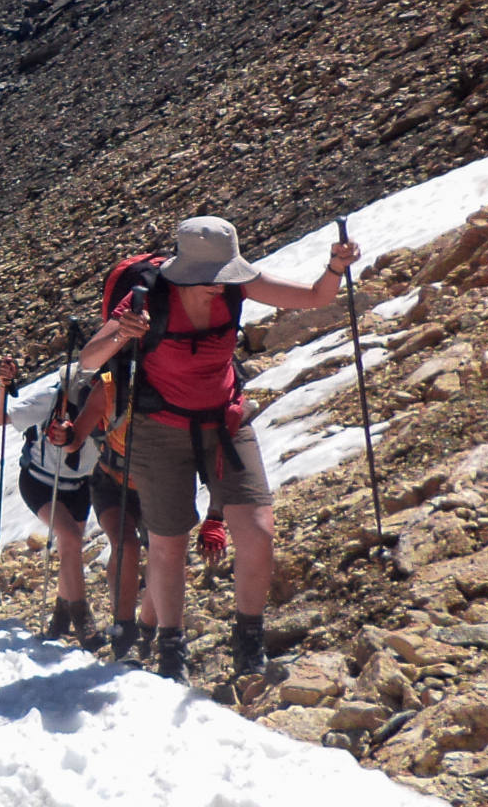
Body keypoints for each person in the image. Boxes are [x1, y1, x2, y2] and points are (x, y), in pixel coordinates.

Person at [78, 215, 361, 679]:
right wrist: (120, 333)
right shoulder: (147, 298)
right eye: (211, 279)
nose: (220, 286)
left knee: (258, 529)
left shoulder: (236, 285)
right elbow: (91, 359)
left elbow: (316, 298)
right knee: (168, 544)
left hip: (225, 421)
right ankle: (172, 650)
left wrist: (334, 267)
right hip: (159, 429)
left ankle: (248, 640)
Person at [0, 355, 102, 647]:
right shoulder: (51, 398)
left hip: (78, 485)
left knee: (70, 546)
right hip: (40, 483)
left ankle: (59, 619)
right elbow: (0, 418)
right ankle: (83, 620)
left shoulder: (104, 405)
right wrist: (4, 387)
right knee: (71, 539)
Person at [81, 367, 156, 660]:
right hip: (111, 482)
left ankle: (146, 629)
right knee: (125, 545)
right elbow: (77, 434)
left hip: (150, 485)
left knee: (161, 555)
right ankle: (125, 628)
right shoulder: (109, 386)